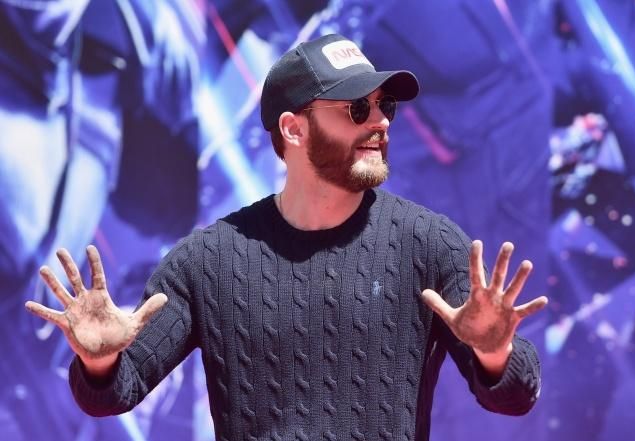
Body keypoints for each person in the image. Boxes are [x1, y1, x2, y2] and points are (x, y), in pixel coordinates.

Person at [25, 33, 548, 441]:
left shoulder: (429, 244)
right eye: (357, 109)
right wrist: (99, 360)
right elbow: (114, 394)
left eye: (384, 106)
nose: (381, 123)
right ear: (294, 129)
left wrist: (495, 351)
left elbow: (515, 395)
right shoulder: (205, 261)